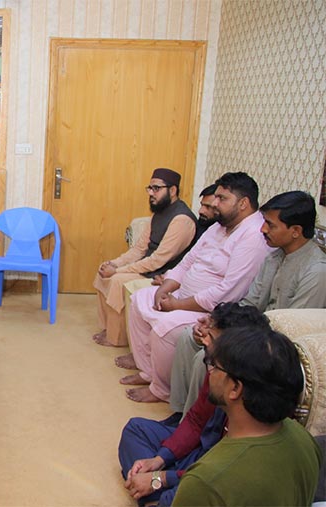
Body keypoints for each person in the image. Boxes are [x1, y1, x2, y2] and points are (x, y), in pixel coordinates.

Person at [119, 172, 272, 403]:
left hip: (208, 310)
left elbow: (229, 291)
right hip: (182, 295)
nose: (215, 204)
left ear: (243, 203)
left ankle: (161, 389)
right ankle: (148, 371)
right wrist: (166, 287)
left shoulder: (252, 236)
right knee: (140, 299)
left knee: (164, 327)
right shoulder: (220, 226)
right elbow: (188, 261)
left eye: (222, 199)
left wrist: (177, 305)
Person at [169, 190, 326, 415]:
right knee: (190, 336)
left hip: (280, 352)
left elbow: (292, 337)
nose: (262, 230)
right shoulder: (274, 256)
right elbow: (250, 303)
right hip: (258, 334)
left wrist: (231, 340)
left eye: (270, 225)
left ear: (295, 231)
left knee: (204, 358)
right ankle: (180, 417)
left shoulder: (316, 272)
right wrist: (218, 323)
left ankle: (196, 429)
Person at [118, 303, 270, 506]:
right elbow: (197, 419)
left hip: (212, 469)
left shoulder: (249, 403)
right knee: (136, 430)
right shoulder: (218, 369)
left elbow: (218, 470)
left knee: (185, 491)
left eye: (212, 337)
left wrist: (159, 479)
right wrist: (159, 461)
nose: (203, 338)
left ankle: (158, 496)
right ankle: (157, 496)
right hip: (200, 452)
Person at [173, 326, 322, 506]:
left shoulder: (205, 482)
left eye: (214, 366)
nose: (209, 372)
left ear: (235, 388)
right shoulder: (305, 440)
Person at [92, 168, 197, 347]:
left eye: (156, 189)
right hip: (149, 266)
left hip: (162, 273)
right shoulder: (159, 213)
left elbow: (158, 260)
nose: (150, 193)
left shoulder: (182, 220)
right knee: (102, 273)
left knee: (117, 280)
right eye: (149, 188)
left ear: (172, 191)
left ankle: (117, 338)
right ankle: (110, 328)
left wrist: (117, 271)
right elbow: (140, 248)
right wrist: (113, 263)